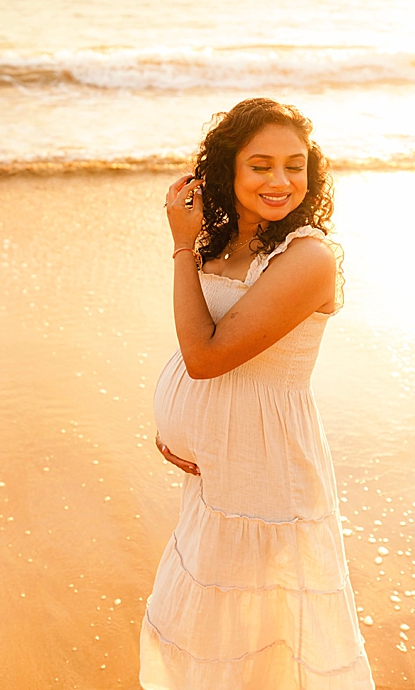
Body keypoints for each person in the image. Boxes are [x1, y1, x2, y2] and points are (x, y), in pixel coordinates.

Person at [142, 98, 373, 688]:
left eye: (295, 166)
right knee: (216, 630)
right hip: (217, 472)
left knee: (256, 634)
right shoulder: (224, 247)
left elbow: (206, 356)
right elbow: (198, 347)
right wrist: (179, 426)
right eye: (261, 165)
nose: (280, 180)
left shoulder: (307, 258)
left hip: (265, 470)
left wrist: (177, 246)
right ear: (229, 169)